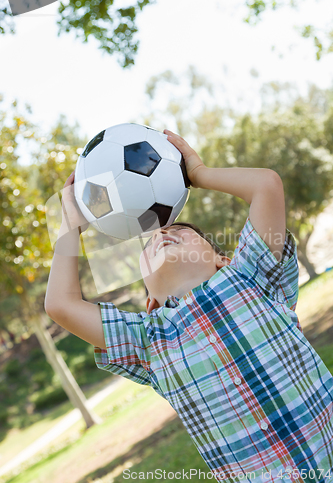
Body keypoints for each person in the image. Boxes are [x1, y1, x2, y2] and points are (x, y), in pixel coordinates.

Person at [45, 129, 333, 483]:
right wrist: (68, 227)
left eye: (179, 229)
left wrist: (198, 172)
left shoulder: (251, 275)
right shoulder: (150, 340)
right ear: (150, 303)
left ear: (223, 260)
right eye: (148, 246)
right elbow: (61, 304)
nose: (162, 234)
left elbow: (266, 186)